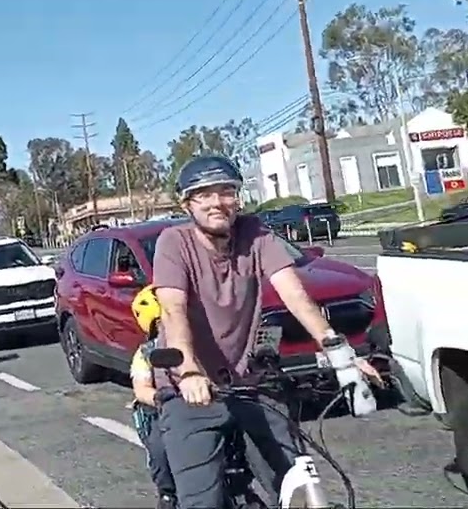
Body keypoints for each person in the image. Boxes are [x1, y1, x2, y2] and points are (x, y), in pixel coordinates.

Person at [152, 155, 382, 509]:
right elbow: (173, 311)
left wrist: (342, 355)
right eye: (203, 195)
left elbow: (296, 296)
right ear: (187, 204)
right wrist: (189, 372)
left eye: (226, 191)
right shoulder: (173, 242)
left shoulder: (256, 234)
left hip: (247, 383)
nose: (217, 203)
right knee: (202, 501)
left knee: (298, 482)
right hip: (190, 388)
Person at [128, 285, 176, 509]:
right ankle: (168, 495)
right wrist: (159, 395)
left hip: (206, 403)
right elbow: (141, 388)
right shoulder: (146, 353)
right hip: (164, 410)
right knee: (161, 450)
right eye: (164, 320)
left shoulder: (198, 338)